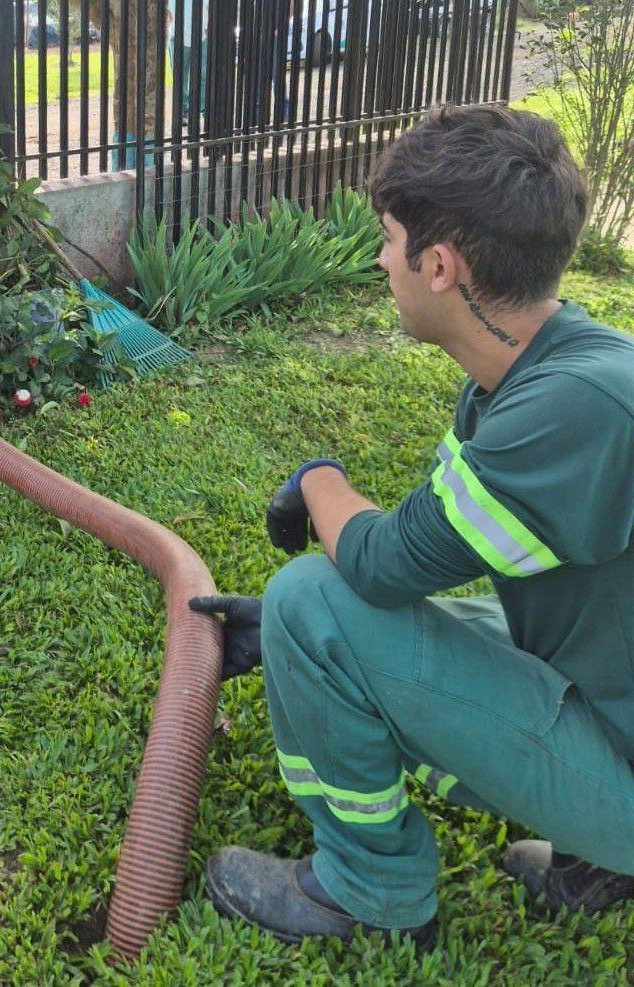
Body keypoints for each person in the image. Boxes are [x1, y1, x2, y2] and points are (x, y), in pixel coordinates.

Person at [189, 104, 634, 946]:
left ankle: (368, 890)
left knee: (313, 601)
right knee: (335, 621)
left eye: (389, 238)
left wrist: (318, 481)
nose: (379, 257)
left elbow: (382, 563)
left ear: (439, 263)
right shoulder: (564, 368)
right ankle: (603, 857)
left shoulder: (575, 407)